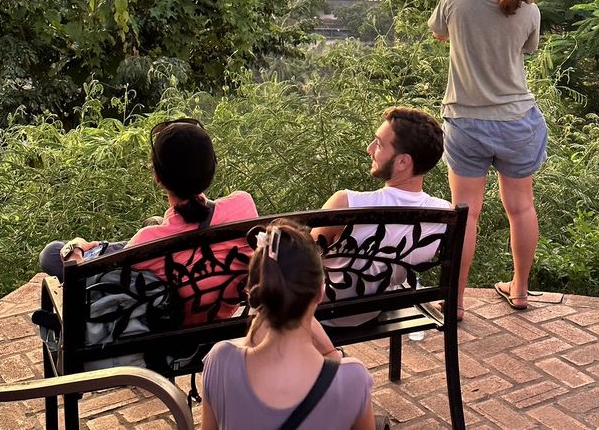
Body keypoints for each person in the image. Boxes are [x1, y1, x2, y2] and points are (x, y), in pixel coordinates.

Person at [428, 0, 547, 319]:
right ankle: (520, 291)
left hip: (466, 122)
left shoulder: (457, 2)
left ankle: (456, 302)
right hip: (517, 121)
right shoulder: (529, 11)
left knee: (465, 212)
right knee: (521, 208)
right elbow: (525, 49)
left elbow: (438, 33)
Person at [39, 117, 258, 322]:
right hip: (216, 317)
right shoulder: (243, 205)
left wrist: (75, 251)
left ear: (157, 177)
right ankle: (109, 246)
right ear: (212, 167)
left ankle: (93, 248)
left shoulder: (146, 243)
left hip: (170, 337)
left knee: (52, 253)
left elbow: (84, 286)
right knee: (151, 225)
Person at [201, 220, 375, 430]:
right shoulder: (352, 380)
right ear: (320, 292)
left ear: (253, 291)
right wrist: (330, 352)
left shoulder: (220, 361)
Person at [314, 107, 450, 324]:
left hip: (320, 313)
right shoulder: (442, 215)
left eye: (378, 144)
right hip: (378, 308)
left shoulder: (347, 203)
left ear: (403, 162)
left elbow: (300, 262)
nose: (369, 149)